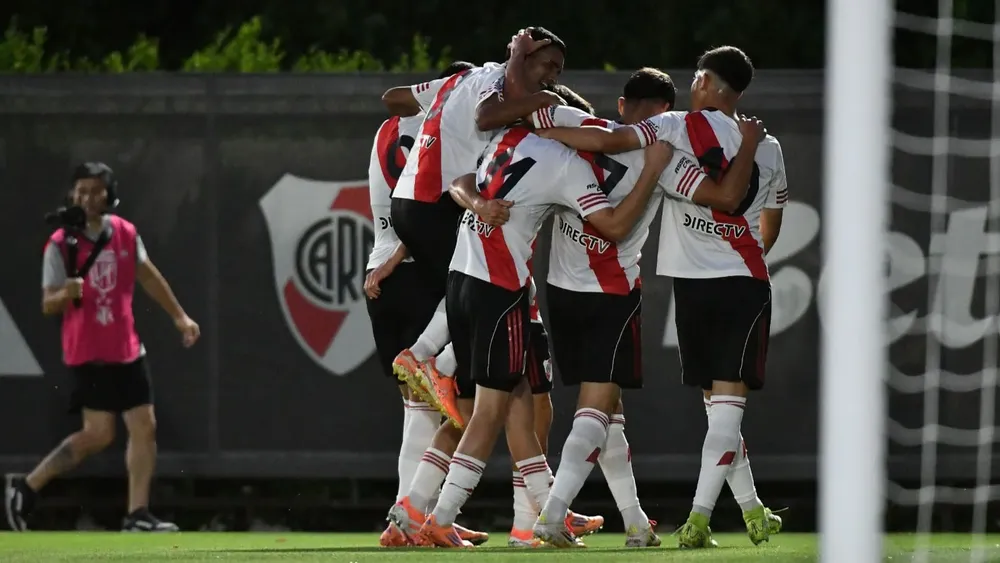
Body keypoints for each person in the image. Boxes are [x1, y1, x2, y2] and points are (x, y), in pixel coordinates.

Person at [537, 46, 788, 548]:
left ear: (702, 81)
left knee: (707, 410)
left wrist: (542, 128)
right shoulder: (766, 145)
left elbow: (611, 139)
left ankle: (730, 511)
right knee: (722, 411)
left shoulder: (675, 128)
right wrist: (738, 253)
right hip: (732, 282)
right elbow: (765, 219)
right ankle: (703, 516)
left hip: (673, 287)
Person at [410, 111, 675, 548]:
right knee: (490, 410)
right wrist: (652, 170)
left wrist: (478, 203)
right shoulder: (567, 163)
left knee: (524, 403)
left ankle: (541, 511)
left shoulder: (506, 134)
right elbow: (614, 225)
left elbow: (457, 180)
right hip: (505, 290)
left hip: (467, 281)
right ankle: (439, 515)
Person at [4, 162, 200, 532]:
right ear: (71, 195)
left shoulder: (125, 233)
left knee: (144, 426)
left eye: (95, 190)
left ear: (109, 196)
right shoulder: (61, 244)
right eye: (80, 191)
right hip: (89, 352)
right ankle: (26, 486)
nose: (87, 198)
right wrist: (67, 293)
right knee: (99, 434)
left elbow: (147, 275)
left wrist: (180, 316)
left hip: (126, 347)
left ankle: (137, 515)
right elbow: (48, 303)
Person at [362, 61, 482, 547]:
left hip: (381, 271)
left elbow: (388, 201)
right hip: (421, 272)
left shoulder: (387, 130)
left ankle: (419, 516)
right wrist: (402, 256)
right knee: (431, 404)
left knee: (417, 408)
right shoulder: (448, 132)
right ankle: (411, 519)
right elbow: (426, 207)